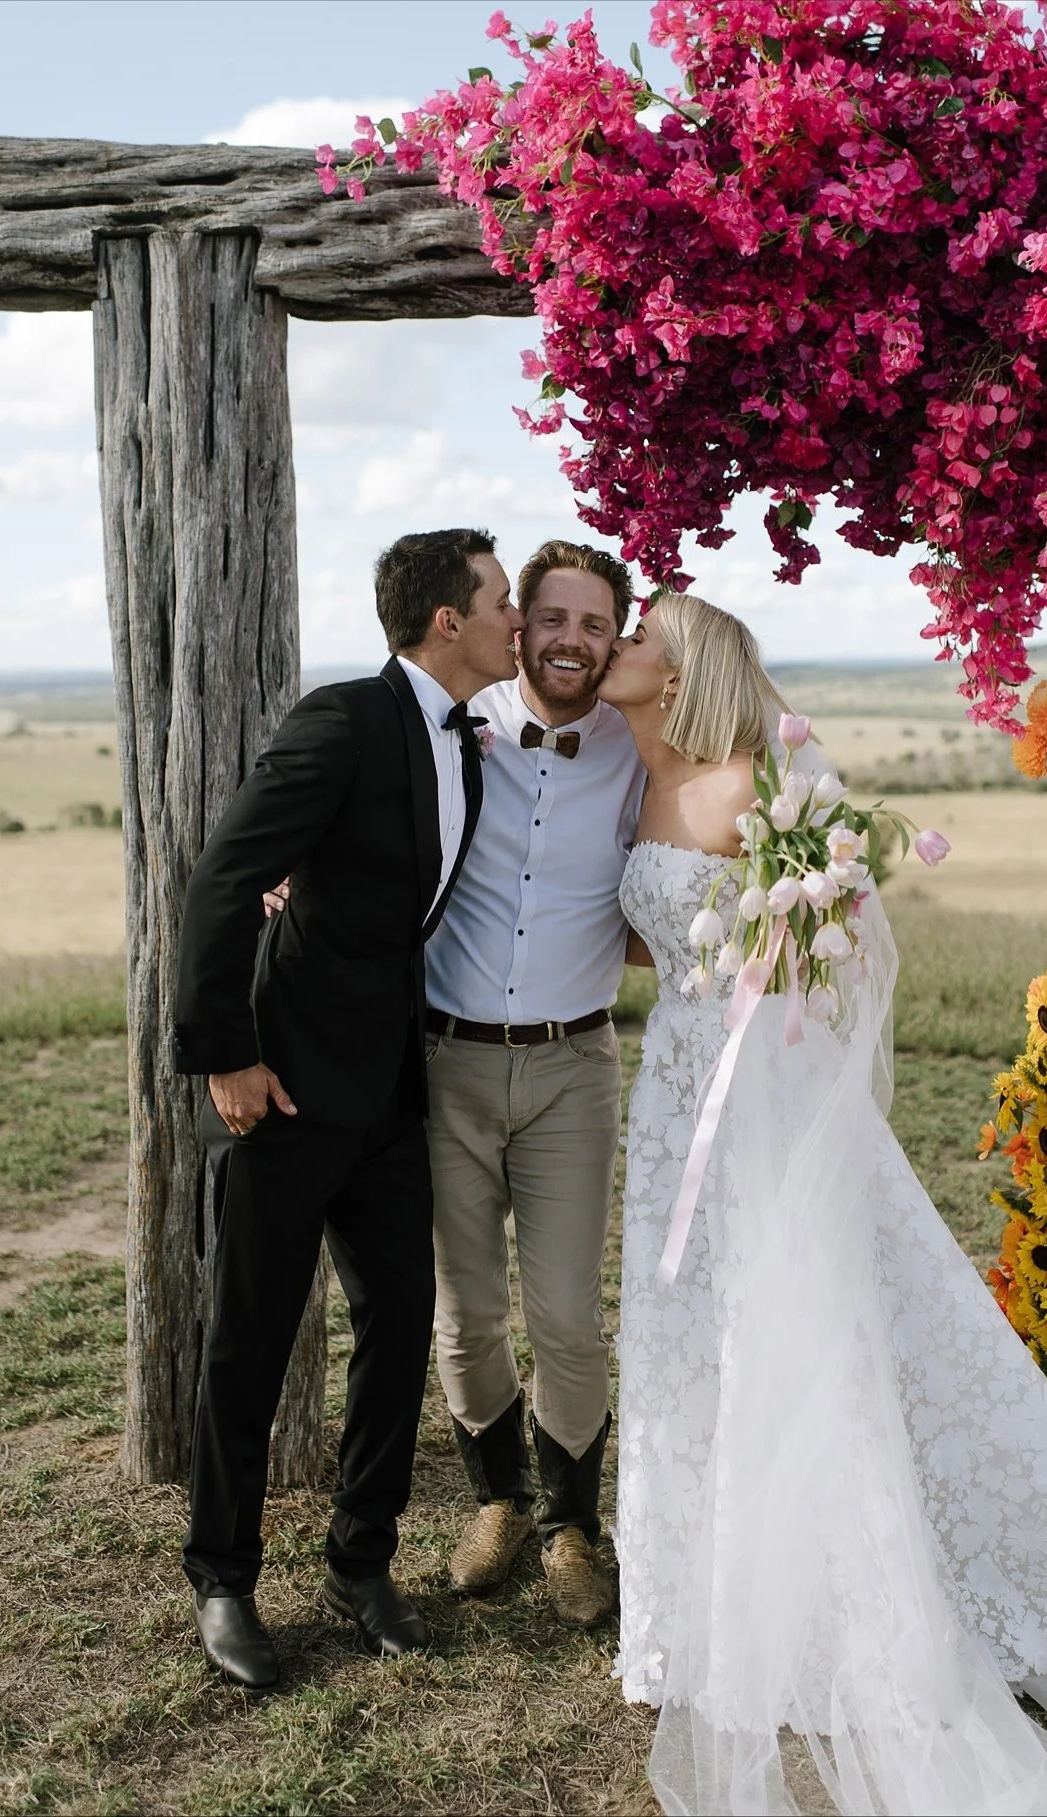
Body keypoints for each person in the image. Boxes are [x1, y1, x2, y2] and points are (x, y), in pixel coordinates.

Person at [597, 592, 1047, 1817]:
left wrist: (775, 964)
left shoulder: (757, 780)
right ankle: (689, 1606)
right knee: (687, 1333)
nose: (620, 650)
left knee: (800, 1331)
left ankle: (819, 1598)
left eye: (640, 635)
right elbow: (651, 936)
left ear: (681, 665)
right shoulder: (635, 773)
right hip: (675, 1093)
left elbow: (837, 941)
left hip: (760, 1101)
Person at [171, 527, 522, 1690]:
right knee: (252, 1335)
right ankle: (222, 1578)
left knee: (398, 1319)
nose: (516, 617)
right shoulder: (340, 720)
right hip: (282, 1082)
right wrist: (226, 1053)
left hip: (387, 1088)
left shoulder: (464, 739)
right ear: (446, 621)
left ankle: (357, 1561)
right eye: (504, 599)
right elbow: (228, 875)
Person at [424, 538, 645, 1627]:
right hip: (442, 1062)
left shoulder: (636, 752)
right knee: (464, 1312)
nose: (570, 639)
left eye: (593, 623)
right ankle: (496, 1503)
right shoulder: (446, 733)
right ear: (518, 628)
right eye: (551, 617)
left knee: (563, 1311)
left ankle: (572, 1525)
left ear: (616, 637)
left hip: (573, 1067)